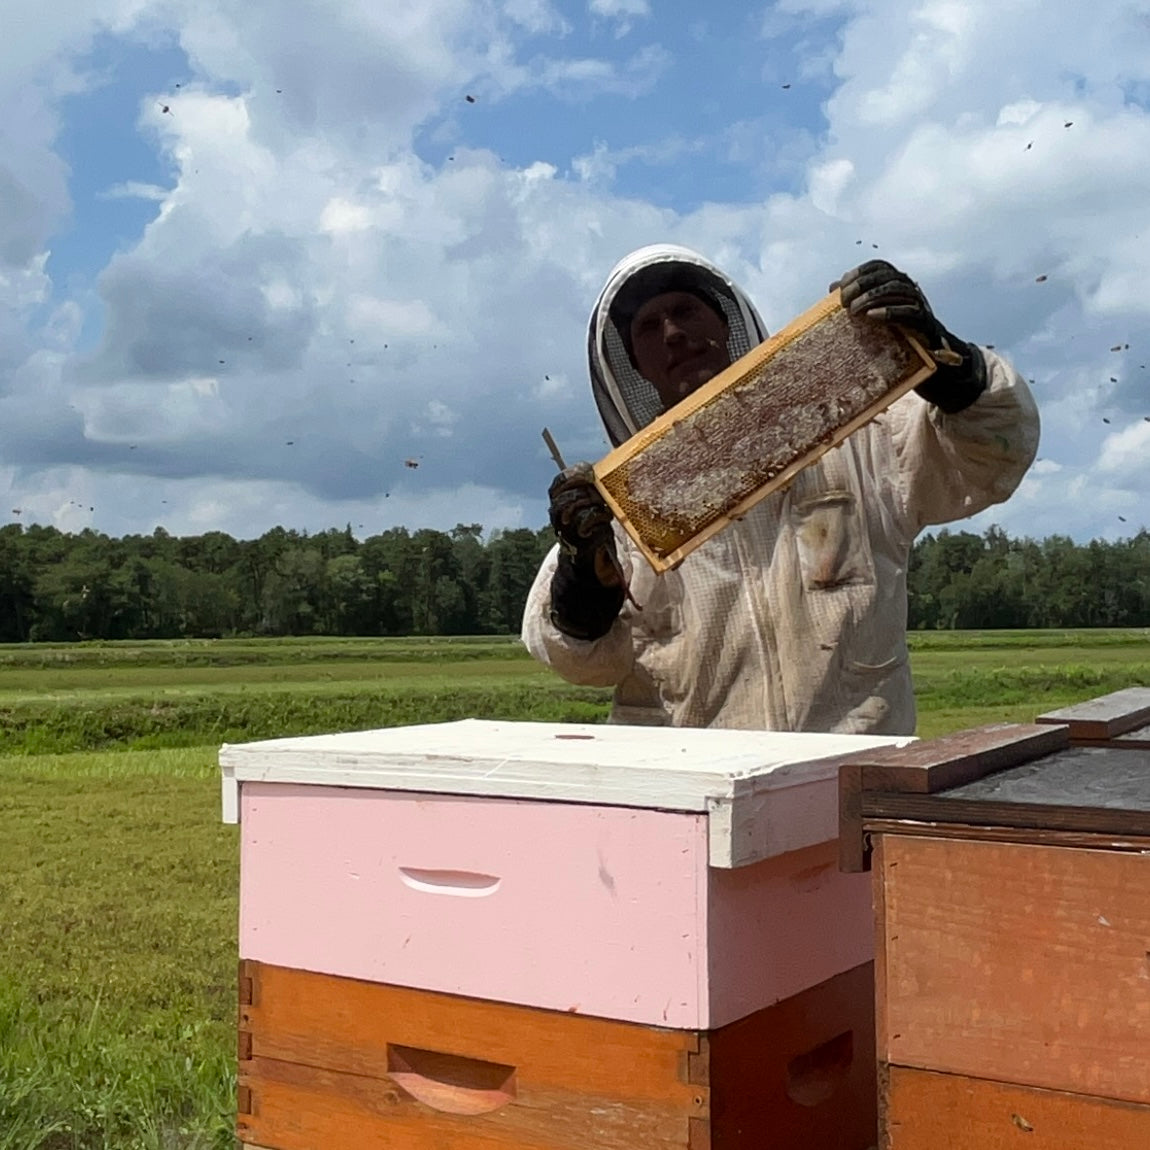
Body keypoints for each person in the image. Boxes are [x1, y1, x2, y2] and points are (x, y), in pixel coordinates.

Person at [521, 244, 1040, 735]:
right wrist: (582, 579)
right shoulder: (626, 509)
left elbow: (992, 452)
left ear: (725, 324)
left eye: (685, 310)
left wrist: (947, 362)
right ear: (634, 364)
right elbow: (577, 658)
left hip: (850, 770)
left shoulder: (858, 438)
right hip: (697, 780)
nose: (673, 332)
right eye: (649, 327)